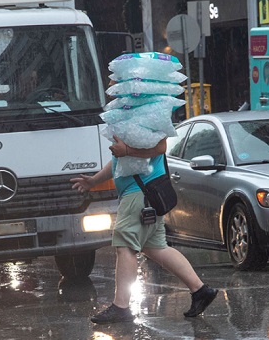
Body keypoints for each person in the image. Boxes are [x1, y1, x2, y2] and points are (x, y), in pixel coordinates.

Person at [71, 135, 218, 323]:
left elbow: (160, 147)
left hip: (139, 193)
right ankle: (200, 290)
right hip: (144, 193)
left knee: (125, 245)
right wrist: (94, 181)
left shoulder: (148, 113)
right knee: (156, 247)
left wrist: (127, 151)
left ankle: (121, 306)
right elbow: (119, 161)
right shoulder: (133, 116)